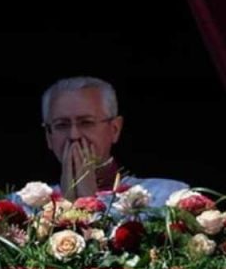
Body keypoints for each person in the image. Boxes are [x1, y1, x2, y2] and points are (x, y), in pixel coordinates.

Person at [42, 76, 187, 205]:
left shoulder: (167, 196)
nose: (74, 135)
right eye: (61, 125)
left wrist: (88, 202)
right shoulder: (26, 207)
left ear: (115, 129)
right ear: (48, 136)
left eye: (86, 122)